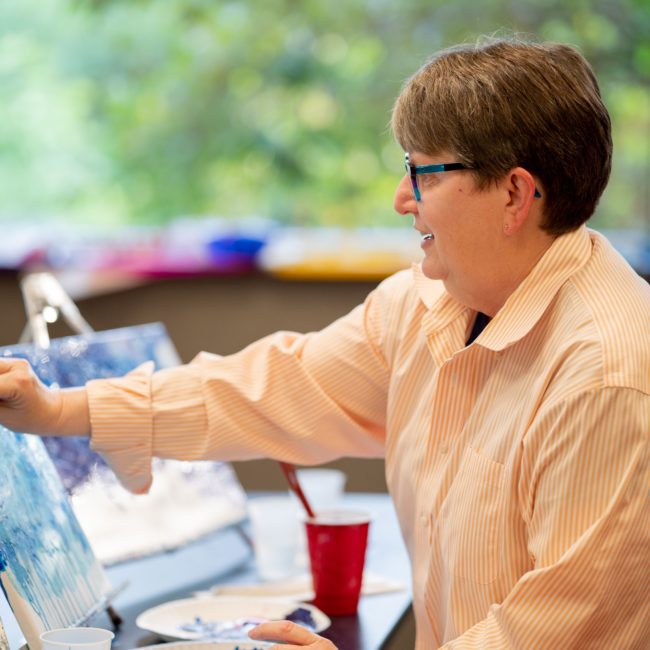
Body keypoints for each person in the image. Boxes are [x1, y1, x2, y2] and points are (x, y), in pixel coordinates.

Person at [0, 37, 648, 649]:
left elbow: (558, 634)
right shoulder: (430, 305)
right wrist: (57, 410)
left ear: (514, 193)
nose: (402, 199)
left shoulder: (608, 378)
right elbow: (267, 389)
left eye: (422, 172)